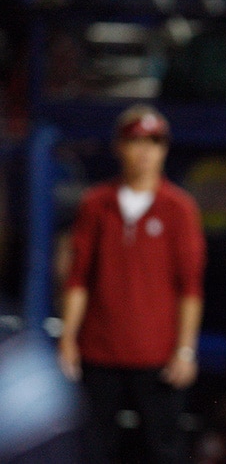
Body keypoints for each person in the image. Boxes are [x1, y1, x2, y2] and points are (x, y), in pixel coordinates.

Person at [58, 104, 207, 464]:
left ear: (165, 149)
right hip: (99, 352)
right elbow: (78, 278)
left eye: (154, 142)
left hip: (157, 356)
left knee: (163, 450)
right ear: (118, 147)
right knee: (93, 449)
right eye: (136, 140)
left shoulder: (179, 208)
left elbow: (190, 287)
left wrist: (185, 350)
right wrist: (68, 339)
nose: (145, 151)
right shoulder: (96, 204)